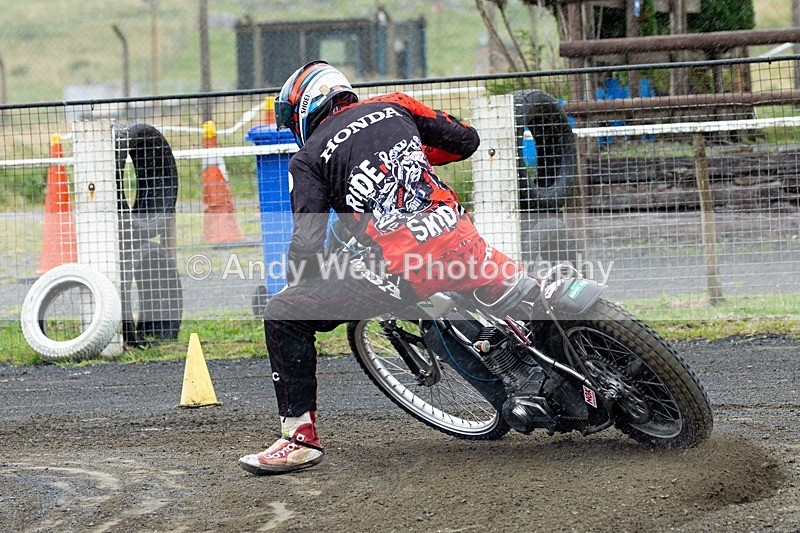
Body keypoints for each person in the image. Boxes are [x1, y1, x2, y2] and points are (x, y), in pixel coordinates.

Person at [238, 61, 537, 475]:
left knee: (282, 313)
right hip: (462, 240)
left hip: (405, 268)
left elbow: (307, 240)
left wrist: (300, 286)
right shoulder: (394, 104)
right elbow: (466, 141)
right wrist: (408, 153)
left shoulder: (308, 158)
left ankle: (298, 440)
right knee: (532, 294)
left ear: (304, 109)